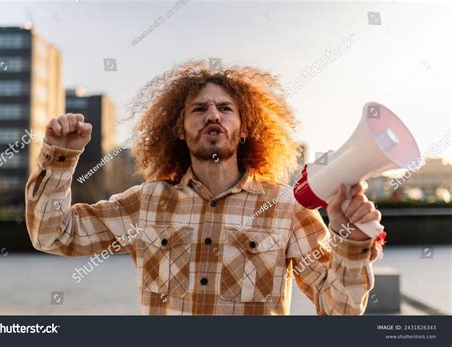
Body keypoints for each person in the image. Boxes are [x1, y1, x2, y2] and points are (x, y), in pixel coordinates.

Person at [25, 60, 382, 315]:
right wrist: (60, 157)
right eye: (199, 109)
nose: (213, 115)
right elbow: (52, 235)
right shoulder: (145, 203)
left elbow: (341, 312)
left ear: (244, 130)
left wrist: (350, 240)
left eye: (226, 108)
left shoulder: (286, 208)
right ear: (179, 129)